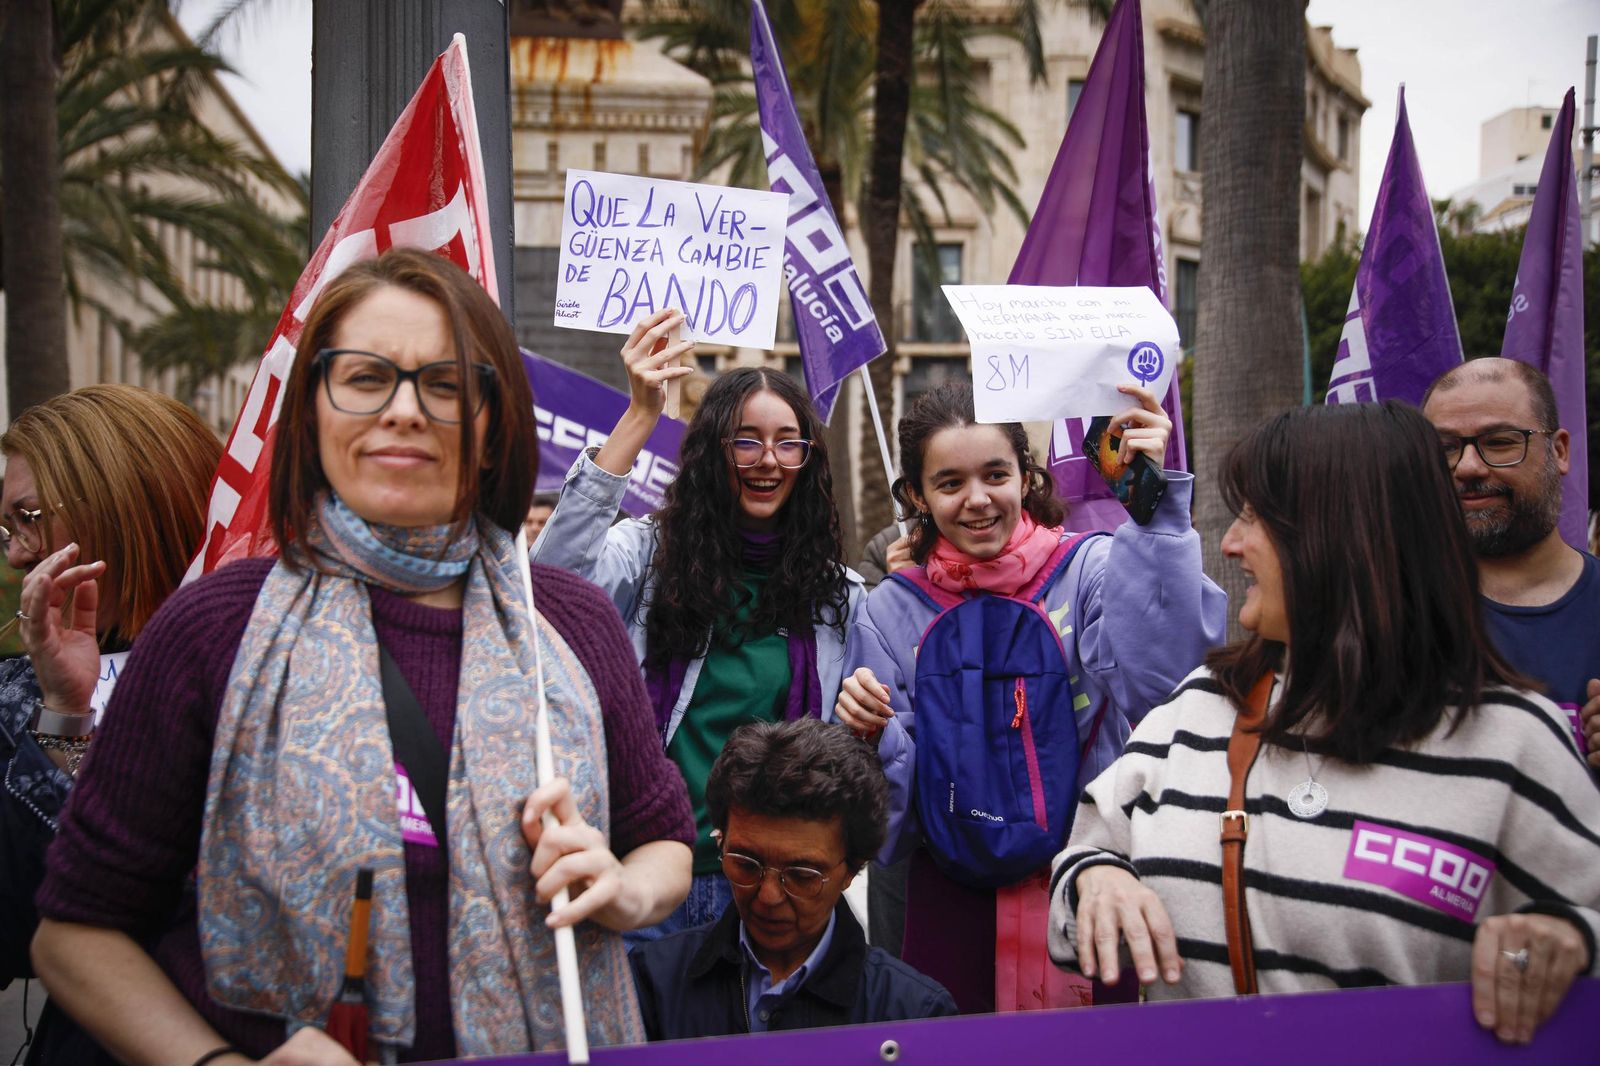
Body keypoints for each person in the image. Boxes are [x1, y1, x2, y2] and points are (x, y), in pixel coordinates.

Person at [30, 249, 694, 1063]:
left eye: (446, 384)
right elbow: (75, 935)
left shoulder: (573, 622)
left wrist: (625, 891)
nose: (405, 410)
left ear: (495, 427)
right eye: (366, 378)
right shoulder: (211, 631)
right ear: (312, 414)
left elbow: (665, 842)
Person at [1049, 401, 1600, 1047]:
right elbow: (1080, 864)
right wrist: (1097, 879)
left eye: (1255, 518)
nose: (1230, 544)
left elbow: (1585, 910)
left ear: (1346, 534)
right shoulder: (1198, 708)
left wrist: (1570, 936)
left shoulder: (1514, 742)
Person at [833, 382, 1226, 1013]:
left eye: (996, 474)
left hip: (1092, 882)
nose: (978, 499)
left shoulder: (1090, 569)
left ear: (1026, 474)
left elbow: (1167, 684)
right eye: (950, 482)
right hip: (949, 898)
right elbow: (886, 819)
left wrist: (1153, 508)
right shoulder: (887, 612)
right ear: (917, 496)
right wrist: (868, 733)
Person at [535, 308, 864, 940]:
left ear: (807, 458)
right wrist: (641, 415)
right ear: (714, 450)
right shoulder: (648, 556)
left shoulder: (839, 597)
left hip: (767, 892)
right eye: (746, 440)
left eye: (787, 442)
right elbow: (550, 592)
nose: (767, 460)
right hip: (642, 877)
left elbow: (850, 753)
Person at [1, 385, 221, 1063]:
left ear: (121, 500)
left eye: (27, 518)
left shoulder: (281, 665)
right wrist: (64, 718)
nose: (16, 555)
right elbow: (19, 919)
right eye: (5, 530)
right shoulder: (21, 694)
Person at [629, 719, 957, 1037]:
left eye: (802, 876)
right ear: (720, 842)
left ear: (852, 868)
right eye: (746, 865)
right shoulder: (653, 981)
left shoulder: (912, 1016)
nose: (768, 896)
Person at [1421, 358, 1600, 769]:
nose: (1468, 467)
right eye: (1445, 448)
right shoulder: (1383, 615)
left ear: (1559, 451)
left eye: (1500, 442)